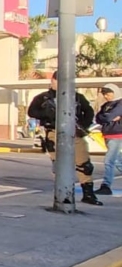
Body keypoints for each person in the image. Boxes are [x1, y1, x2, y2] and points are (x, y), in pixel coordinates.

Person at [27, 73, 102, 206]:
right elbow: (32, 112)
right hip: (54, 132)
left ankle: (88, 193)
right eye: (57, 81)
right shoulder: (43, 97)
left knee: (84, 164)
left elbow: (89, 112)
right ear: (52, 81)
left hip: (75, 132)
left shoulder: (77, 96)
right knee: (59, 165)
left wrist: (83, 126)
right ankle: (62, 193)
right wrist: (46, 113)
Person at [95, 83, 121, 196]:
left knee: (109, 160)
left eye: (108, 93)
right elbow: (99, 117)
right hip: (107, 134)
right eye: (105, 94)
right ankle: (106, 185)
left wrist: (107, 117)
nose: (106, 96)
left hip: (117, 134)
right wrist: (107, 117)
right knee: (118, 161)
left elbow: (108, 116)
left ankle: (106, 185)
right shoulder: (106, 105)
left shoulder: (120, 103)